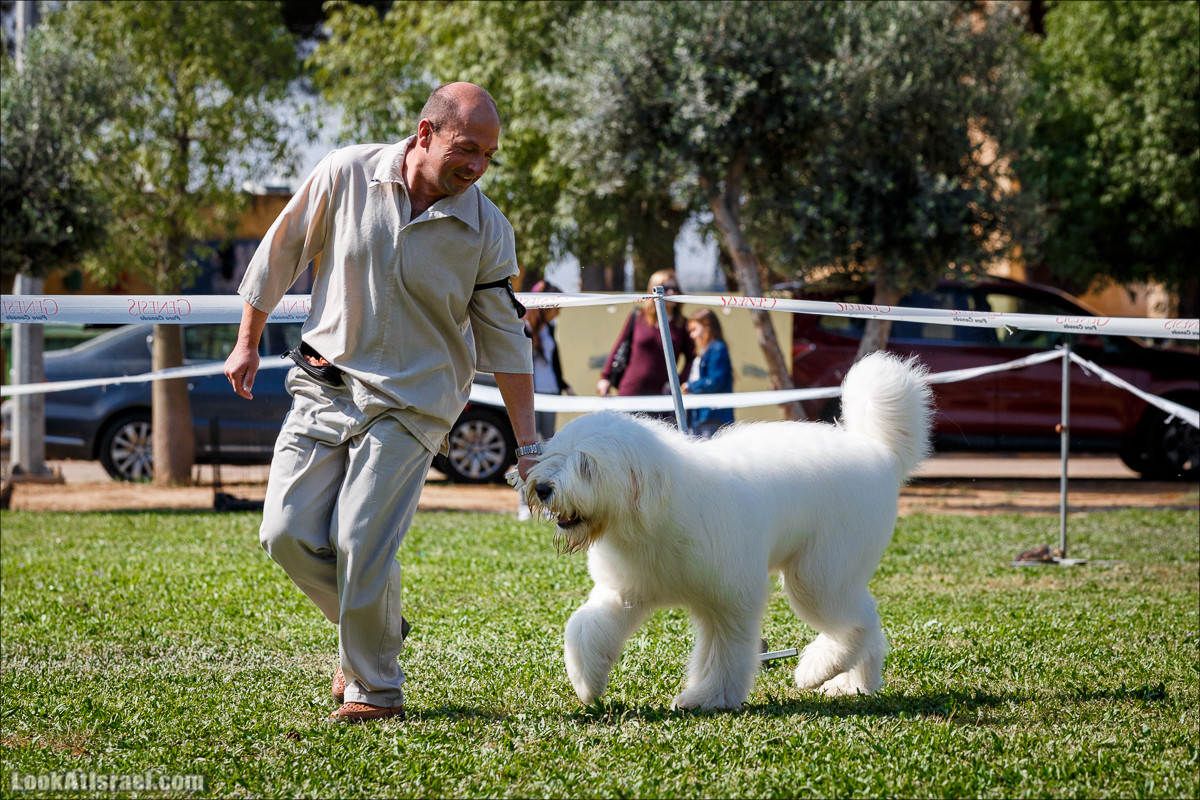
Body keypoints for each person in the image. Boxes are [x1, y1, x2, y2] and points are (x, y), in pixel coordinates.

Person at [223, 82, 539, 724]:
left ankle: (375, 689)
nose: (477, 167)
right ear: (425, 133)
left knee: (360, 537)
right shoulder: (345, 173)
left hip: (414, 403)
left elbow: (506, 337)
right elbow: (280, 252)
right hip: (325, 383)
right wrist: (247, 342)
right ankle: (376, 624)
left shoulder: (486, 228)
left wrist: (529, 444)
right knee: (283, 533)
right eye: (467, 148)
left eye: (489, 156)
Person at [596, 269, 694, 421]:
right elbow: (620, 345)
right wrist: (605, 377)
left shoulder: (683, 325)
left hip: (662, 399)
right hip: (630, 394)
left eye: (675, 289)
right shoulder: (638, 316)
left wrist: (677, 383)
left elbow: (691, 358)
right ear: (653, 290)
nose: (671, 292)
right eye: (665, 288)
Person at [516, 279, 575, 521]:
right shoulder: (522, 326)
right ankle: (524, 502)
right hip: (530, 397)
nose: (558, 312)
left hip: (550, 394)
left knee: (548, 449)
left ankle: (548, 501)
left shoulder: (549, 330)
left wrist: (564, 386)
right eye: (555, 306)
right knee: (529, 448)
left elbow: (554, 364)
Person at [681, 308, 735, 437]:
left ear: (706, 326)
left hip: (712, 417)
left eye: (694, 330)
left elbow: (715, 381)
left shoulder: (718, 349)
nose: (692, 335)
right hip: (698, 417)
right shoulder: (704, 352)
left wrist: (690, 387)